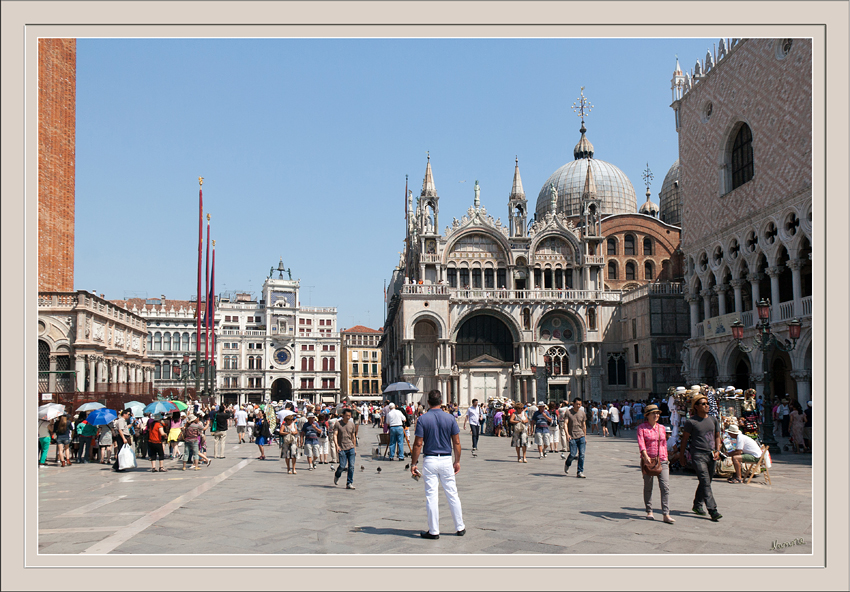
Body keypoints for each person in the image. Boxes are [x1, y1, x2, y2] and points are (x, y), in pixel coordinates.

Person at [410, 389, 465, 539]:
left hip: (430, 460)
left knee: (431, 496)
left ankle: (434, 531)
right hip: (447, 459)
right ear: (441, 401)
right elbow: (457, 442)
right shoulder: (450, 418)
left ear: (428, 402)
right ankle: (460, 527)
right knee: (452, 493)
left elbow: (418, 444)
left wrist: (413, 463)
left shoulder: (422, 419)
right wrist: (457, 461)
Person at [679, 393, 723, 521]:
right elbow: (684, 440)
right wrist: (682, 456)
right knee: (704, 480)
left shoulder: (713, 419)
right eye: (703, 404)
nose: (706, 406)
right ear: (696, 407)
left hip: (711, 454)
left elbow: (717, 436)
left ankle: (697, 505)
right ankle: (712, 509)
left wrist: (718, 450)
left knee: (707, 481)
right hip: (698, 454)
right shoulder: (691, 422)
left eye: (707, 403)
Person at [637, 404, 674, 523]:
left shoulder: (662, 428)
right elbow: (641, 443)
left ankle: (666, 514)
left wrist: (666, 458)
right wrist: (645, 456)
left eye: (657, 413)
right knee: (648, 486)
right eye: (654, 413)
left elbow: (664, 443)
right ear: (647, 415)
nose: (656, 415)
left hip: (662, 460)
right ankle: (649, 511)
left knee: (665, 487)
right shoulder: (642, 428)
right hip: (648, 460)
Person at [333, 408, 358, 489]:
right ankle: (337, 475)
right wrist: (337, 445)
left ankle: (349, 483)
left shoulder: (352, 424)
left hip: (350, 447)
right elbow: (335, 435)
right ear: (343, 415)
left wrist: (354, 448)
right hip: (342, 447)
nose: (348, 417)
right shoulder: (338, 424)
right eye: (347, 415)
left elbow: (353, 437)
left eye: (349, 416)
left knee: (351, 466)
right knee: (342, 466)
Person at [562, 398, 587, 478]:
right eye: (577, 404)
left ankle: (580, 471)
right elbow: (565, 424)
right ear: (573, 404)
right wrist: (567, 434)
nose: (578, 406)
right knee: (573, 454)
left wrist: (585, 436)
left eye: (580, 404)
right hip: (572, 436)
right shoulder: (568, 412)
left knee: (582, 454)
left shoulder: (582, 413)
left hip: (581, 436)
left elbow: (584, 425)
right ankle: (567, 463)